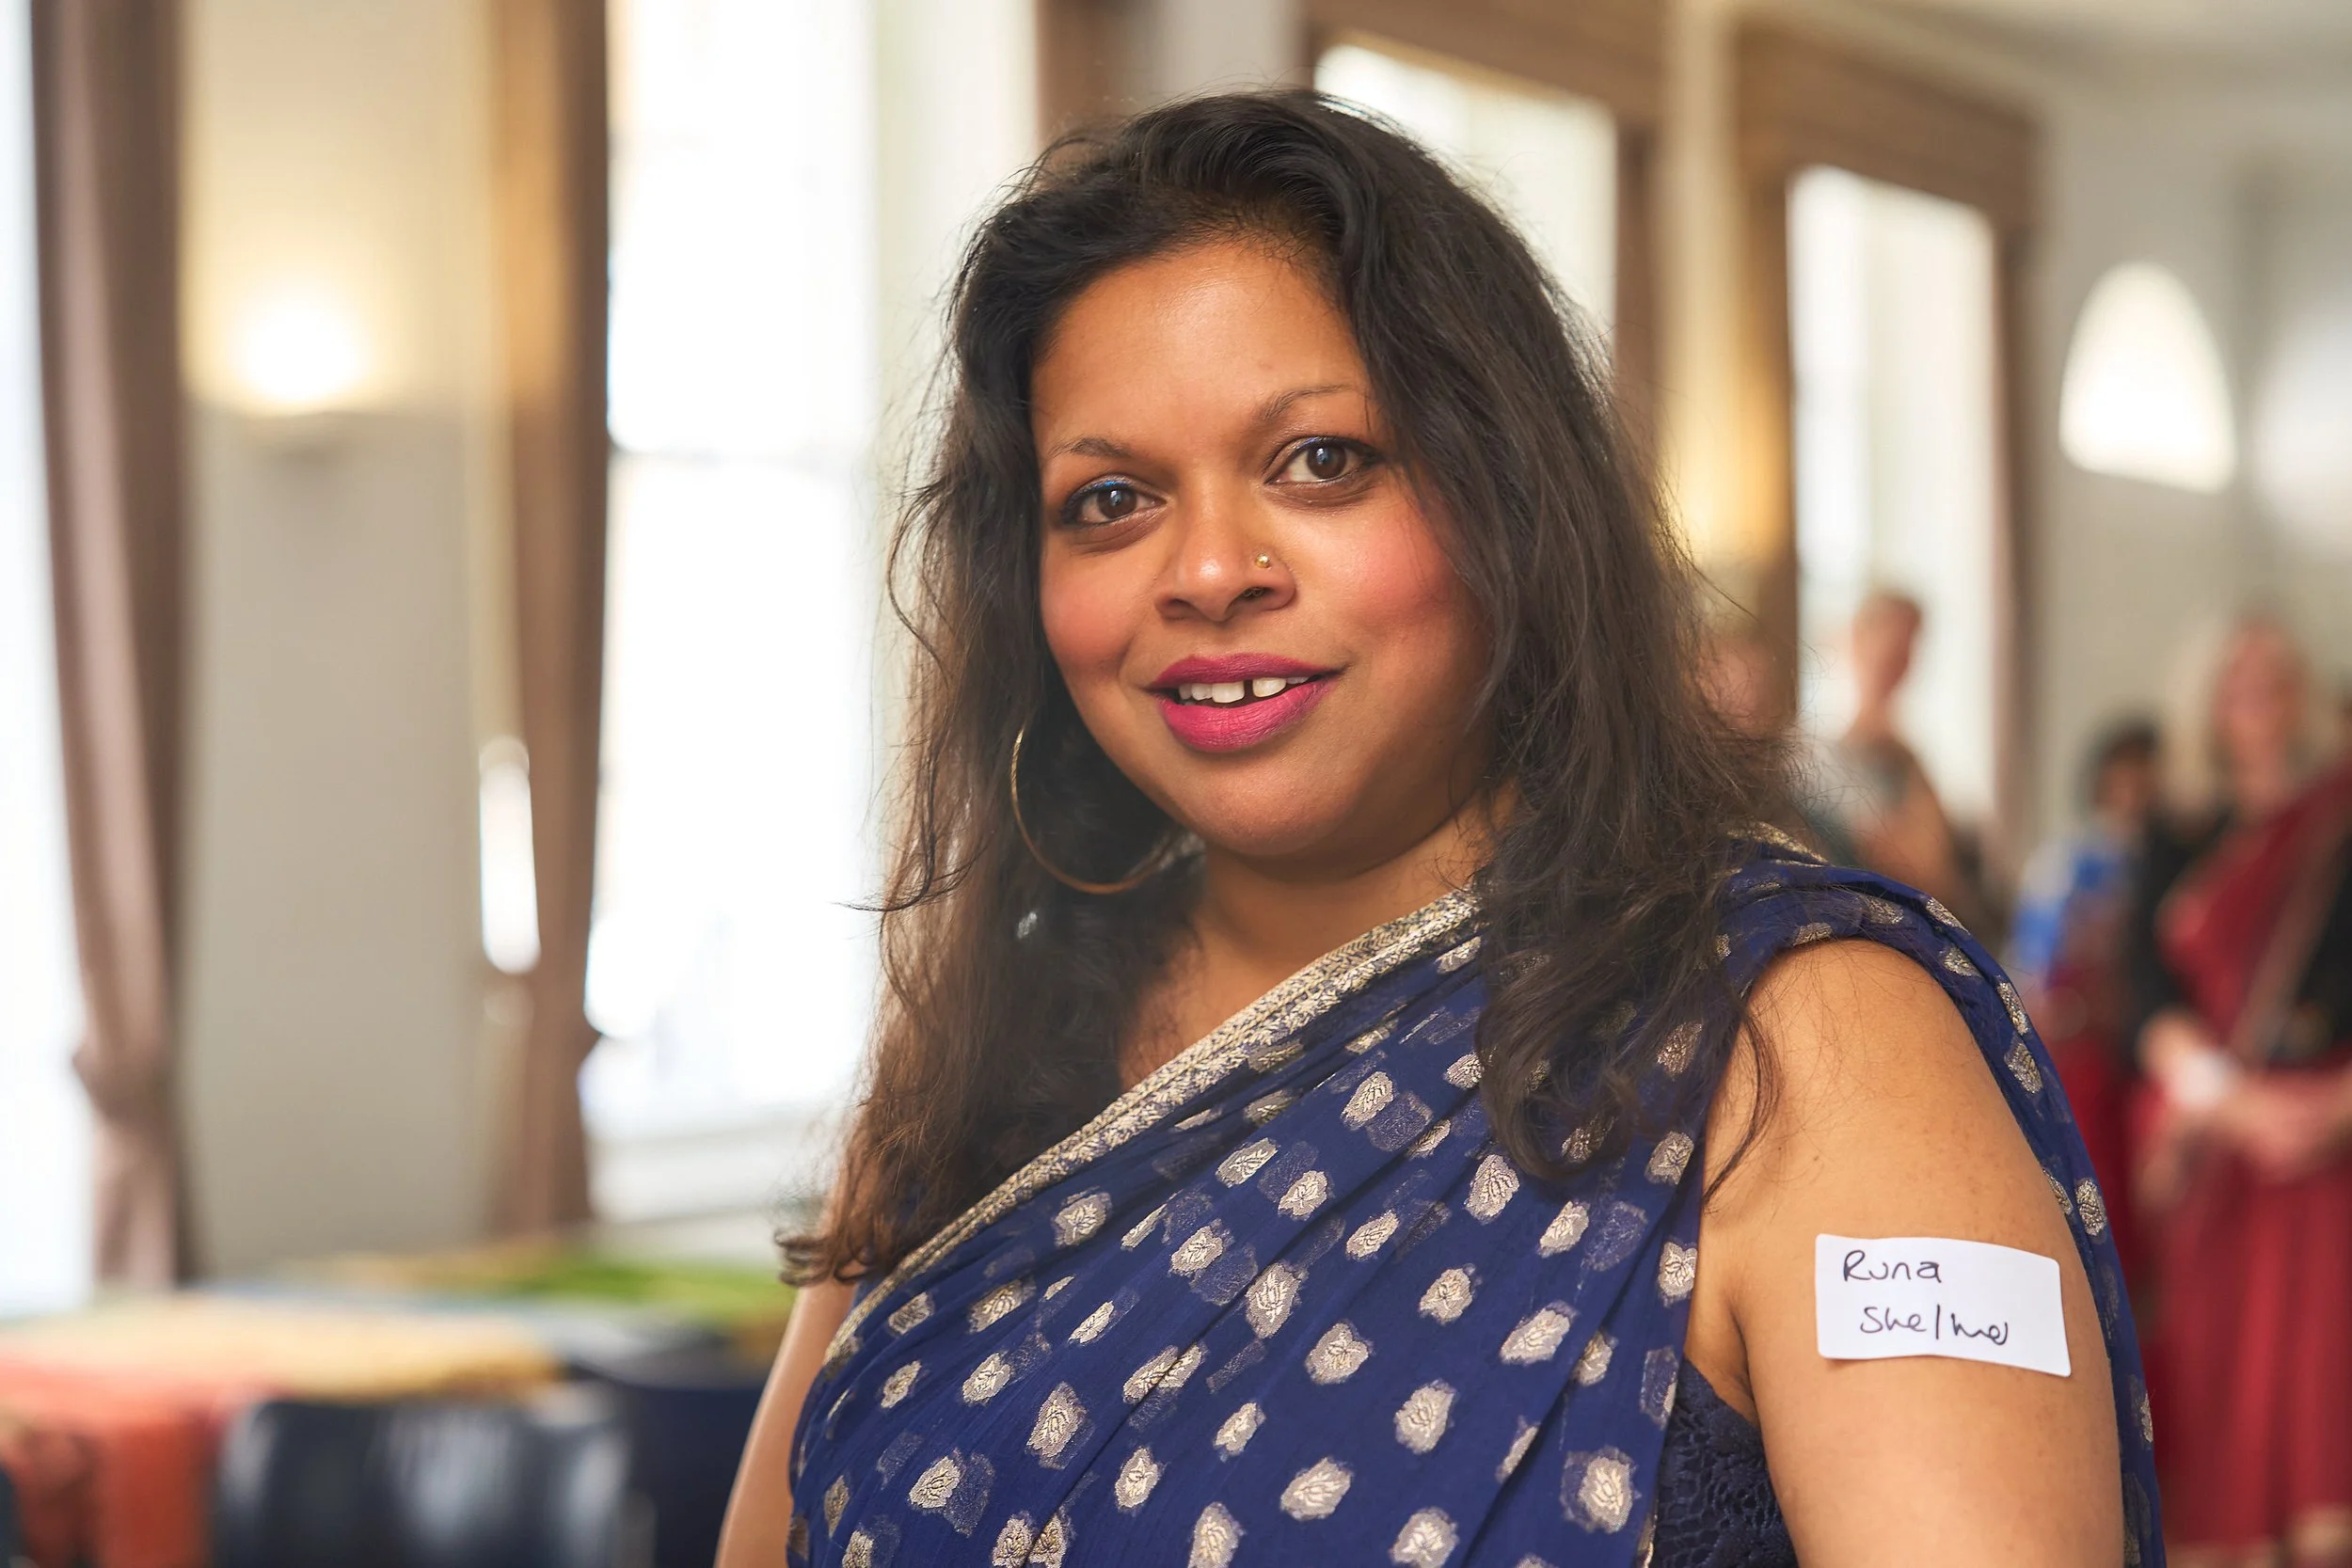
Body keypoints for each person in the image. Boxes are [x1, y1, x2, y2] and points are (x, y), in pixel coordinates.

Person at [718, 94, 2154, 1567]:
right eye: (1112, 497)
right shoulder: (976, 1058)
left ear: (1506, 498)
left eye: (1319, 461)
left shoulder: (1803, 1042)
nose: (1207, 569)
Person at [2125, 617, 2352, 1565]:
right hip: (2217, 1130)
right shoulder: (2176, 830)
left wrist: (2334, 1108)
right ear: (2208, 702)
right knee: (2219, 1377)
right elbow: (2149, 1000)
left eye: (2276, 675)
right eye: (2237, 678)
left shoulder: (2338, 816)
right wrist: (2231, 1102)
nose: (2258, 694)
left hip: (2332, 1126)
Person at [2010, 719, 2162, 1278]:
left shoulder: (2171, 857)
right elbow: (2036, 966)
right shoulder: (2070, 862)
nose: (2135, 795)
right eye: (2122, 782)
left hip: (2149, 1053)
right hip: (2088, 1051)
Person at [1803, 593, 1997, 933]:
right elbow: (1920, 865)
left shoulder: (1903, 753)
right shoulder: (1822, 750)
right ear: (1857, 643)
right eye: (1891, 649)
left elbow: (1941, 868)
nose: (1901, 664)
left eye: (1908, 650)